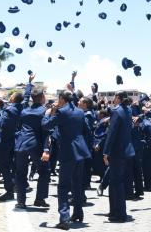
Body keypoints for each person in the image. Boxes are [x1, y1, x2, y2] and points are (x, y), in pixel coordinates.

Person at [42, 91, 91, 230]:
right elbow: (86, 130)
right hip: (80, 151)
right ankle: (78, 213)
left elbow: (46, 125)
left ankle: (64, 218)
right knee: (77, 183)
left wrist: (49, 113)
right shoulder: (80, 112)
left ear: (62, 99)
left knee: (63, 186)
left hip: (68, 152)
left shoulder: (62, 112)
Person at [13, 77, 51, 208]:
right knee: (44, 171)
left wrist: (29, 83)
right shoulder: (44, 112)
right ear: (42, 98)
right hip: (36, 145)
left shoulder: (24, 110)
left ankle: (21, 201)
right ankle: (39, 199)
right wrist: (46, 149)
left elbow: (25, 98)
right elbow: (46, 132)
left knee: (20, 173)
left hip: (21, 144)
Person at [103, 91, 135, 223]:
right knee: (116, 182)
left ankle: (120, 213)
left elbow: (112, 134)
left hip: (117, 151)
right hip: (126, 151)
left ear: (118, 98)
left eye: (114, 97)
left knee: (116, 183)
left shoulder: (117, 111)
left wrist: (106, 152)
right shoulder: (128, 110)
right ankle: (114, 210)